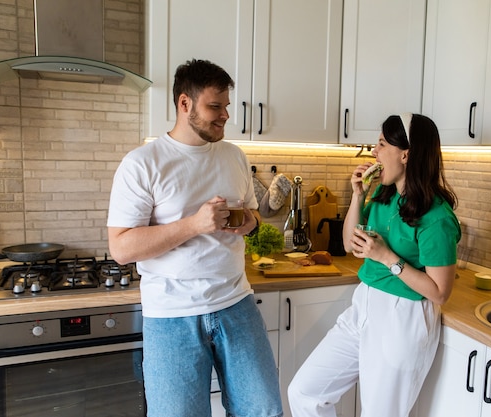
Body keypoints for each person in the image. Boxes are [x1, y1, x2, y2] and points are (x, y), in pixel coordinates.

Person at [107, 59, 283, 417]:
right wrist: (195, 224)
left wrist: (246, 222)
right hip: (172, 316)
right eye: (214, 107)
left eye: (226, 107)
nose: (224, 116)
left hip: (236, 302)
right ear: (184, 104)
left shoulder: (233, 155)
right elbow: (121, 248)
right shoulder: (143, 163)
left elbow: (253, 219)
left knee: (264, 410)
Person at [288, 113, 461, 417]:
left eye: (381, 144)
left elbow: (439, 292)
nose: (373, 151)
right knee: (305, 392)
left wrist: (387, 258)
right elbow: (348, 244)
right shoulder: (384, 195)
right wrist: (357, 195)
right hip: (363, 308)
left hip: (402, 320)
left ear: (405, 154)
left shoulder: (437, 217)